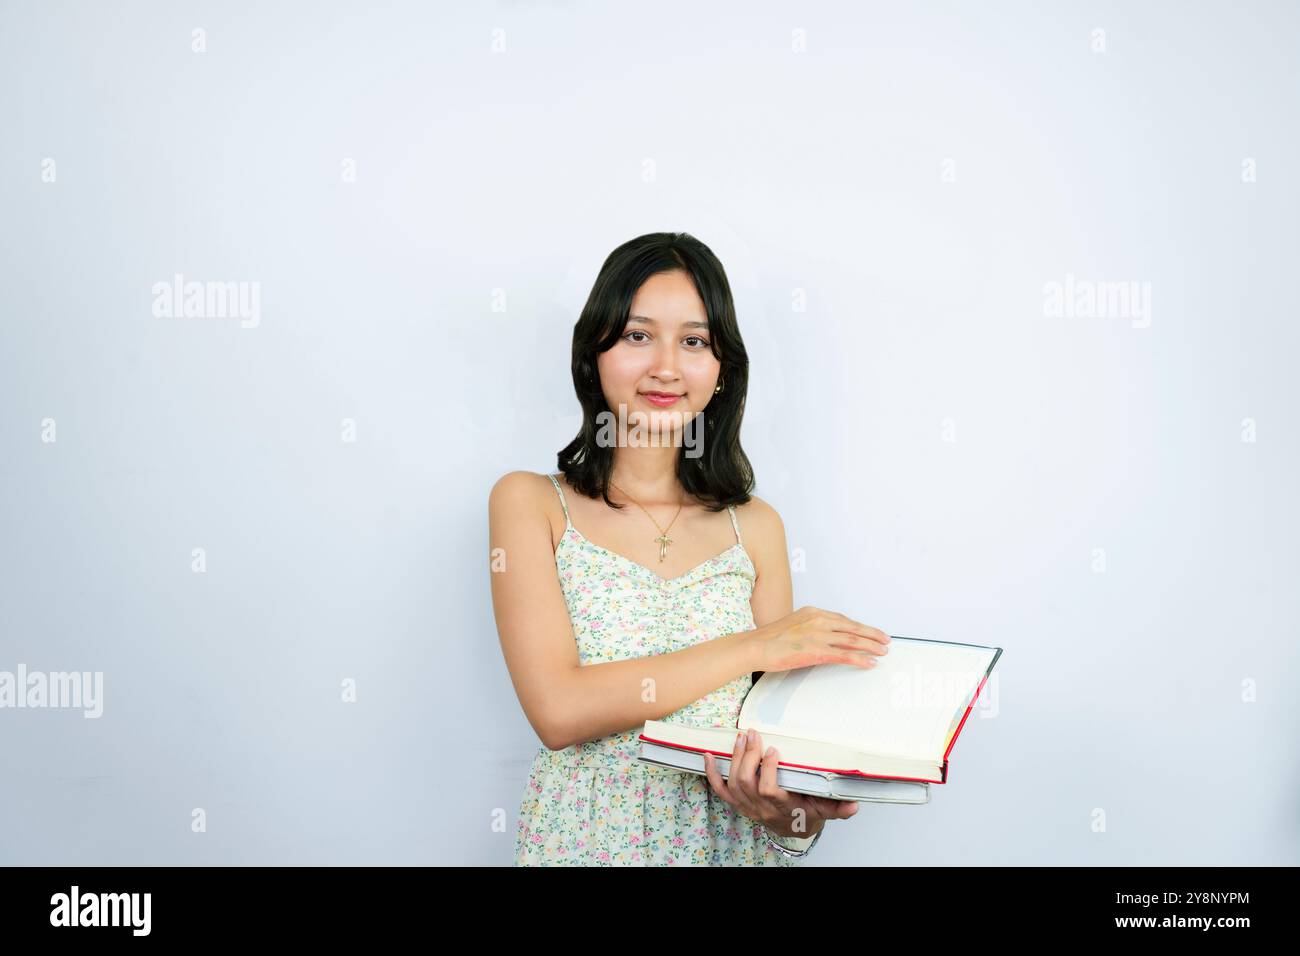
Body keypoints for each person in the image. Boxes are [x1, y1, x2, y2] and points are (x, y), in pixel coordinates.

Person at [488, 232, 891, 866]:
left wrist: (795, 816)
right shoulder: (530, 504)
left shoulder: (755, 527)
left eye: (695, 341)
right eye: (637, 335)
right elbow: (558, 710)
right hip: (589, 846)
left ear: (723, 369)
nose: (667, 367)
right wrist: (756, 646)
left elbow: (772, 753)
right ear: (592, 352)